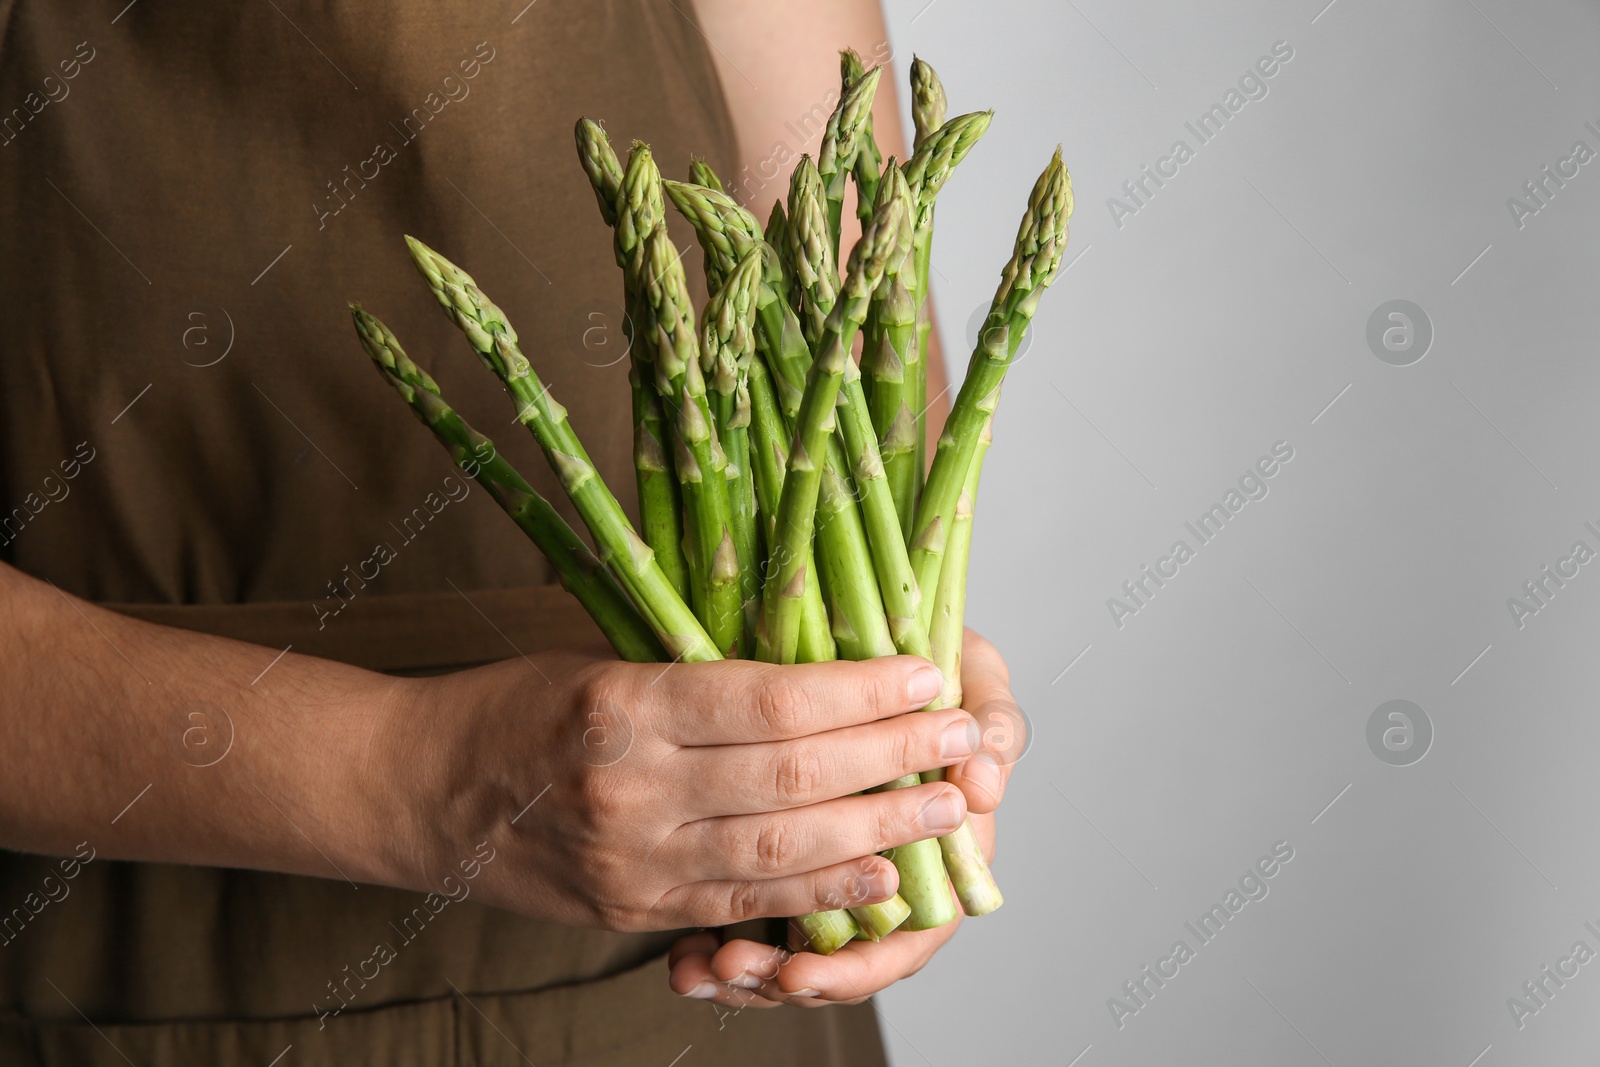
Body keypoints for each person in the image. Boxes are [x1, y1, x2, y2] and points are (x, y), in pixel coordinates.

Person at [0, 1, 1020, 1062]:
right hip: (132, 967)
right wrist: (434, 783)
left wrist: (887, 737)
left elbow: (850, 319)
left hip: (701, 966)